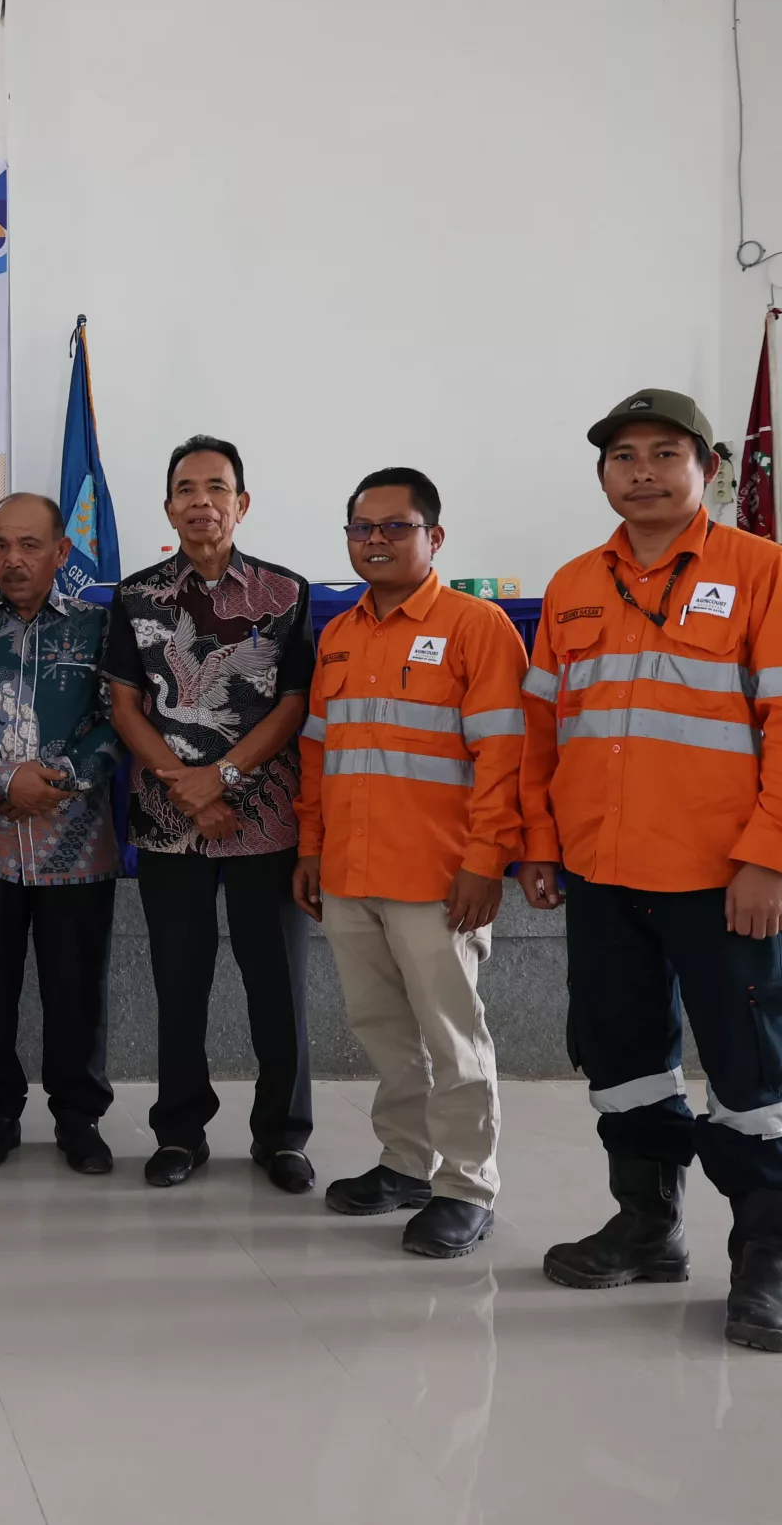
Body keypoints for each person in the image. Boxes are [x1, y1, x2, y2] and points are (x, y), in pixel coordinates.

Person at [522, 391, 782, 1352]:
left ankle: (768, 1261)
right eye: (624, 456)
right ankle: (647, 1223)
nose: (644, 472)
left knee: (750, 1071)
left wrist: (770, 856)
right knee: (620, 1059)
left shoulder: (766, 572)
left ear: (708, 468)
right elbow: (541, 732)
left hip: (725, 877)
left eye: (666, 453)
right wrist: (541, 843)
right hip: (602, 873)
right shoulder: (574, 584)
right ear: (604, 474)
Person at [290, 467, 524, 1259]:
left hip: (439, 878)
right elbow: (317, 753)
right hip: (350, 874)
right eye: (363, 528)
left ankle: (467, 1184)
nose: (377, 540)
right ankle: (404, 1162)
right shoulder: (339, 634)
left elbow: (503, 756)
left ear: (435, 536)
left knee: (453, 1036)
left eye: (397, 526)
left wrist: (486, 860)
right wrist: (312, 848)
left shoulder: (476, 626)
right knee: (384, 1031)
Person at [105, 435, 317, 1194]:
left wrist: (222, 778)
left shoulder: (286, 593)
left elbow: (293, 703)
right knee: (179, 982)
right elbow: (125, 706)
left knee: (277, 986)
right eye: (187, 489)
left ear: (242, 502)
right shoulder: (135, 596)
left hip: (265, 819)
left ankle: (283, 1136)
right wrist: (187, 786)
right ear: (169, 507)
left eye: (217, 487)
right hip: (171, 821)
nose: (202, 501)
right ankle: (179, 1131)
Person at [0, 493, 123, 1176]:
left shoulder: (101, 627)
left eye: (30, 545)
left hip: (75, 844)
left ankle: (79, 1118)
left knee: (76, 989)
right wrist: (1, 776)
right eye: (0, 545)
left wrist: (62, 778)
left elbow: (120, 718)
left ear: (61, 551)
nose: (13, 559)